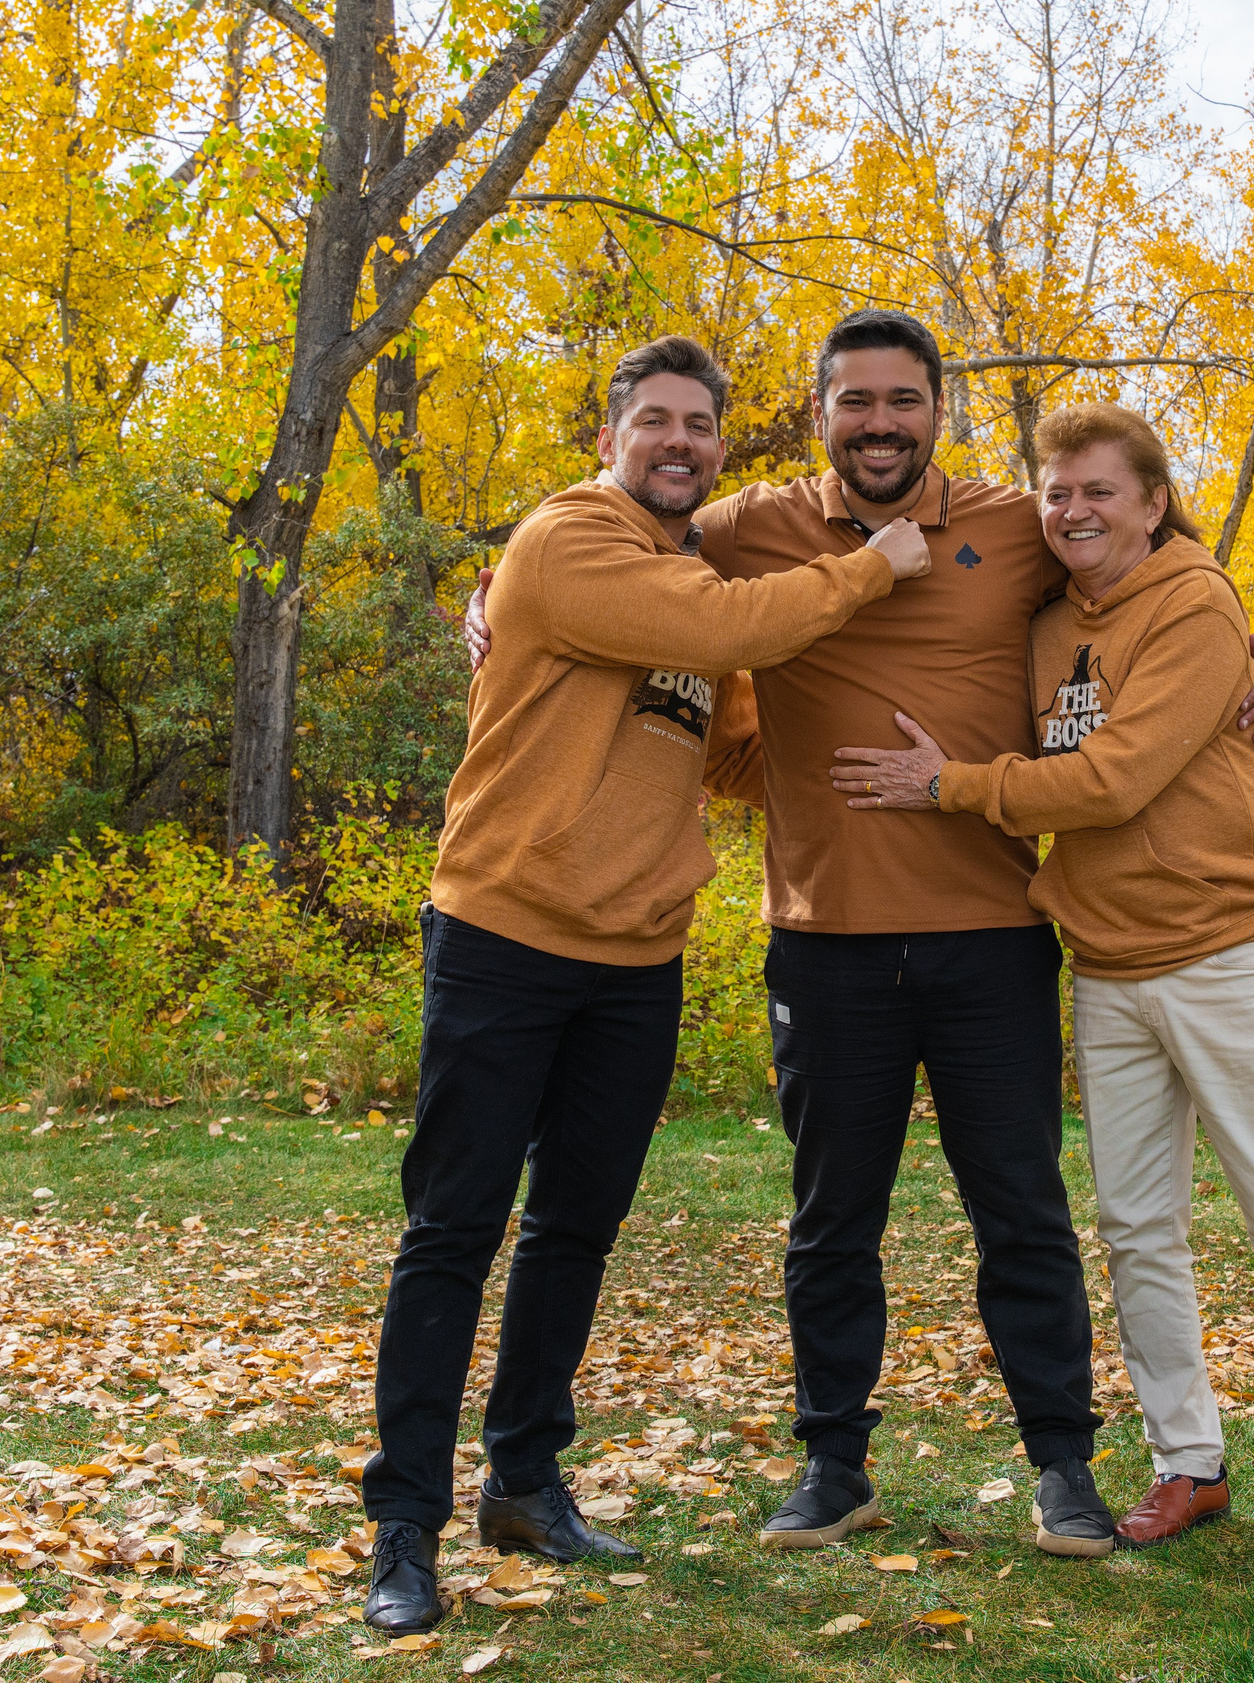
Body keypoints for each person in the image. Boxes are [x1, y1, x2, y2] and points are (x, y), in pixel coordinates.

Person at [462, 310, 1254, 1561]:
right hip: (824, 940)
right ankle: (833, 1464)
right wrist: (485, 595)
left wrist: (1253, 640)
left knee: (1019, 1210)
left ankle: (1063, 1464)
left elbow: (1140, 568)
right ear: (818, 415)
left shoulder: (1014, 525)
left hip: (991, 935)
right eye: (856, 402)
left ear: (936, 412)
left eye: (904, 401)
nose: (881, 423)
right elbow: (618, 538)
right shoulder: (752, 532)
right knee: (830, 1220)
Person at [359, 334, 934, 1637]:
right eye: (655, 421)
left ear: (718, 449)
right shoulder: (567, 543)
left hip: (633, 960)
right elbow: (728, 622)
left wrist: (922, 773)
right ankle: (404, 1525)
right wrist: (871, 568)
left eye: (700, 426)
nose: (680, 442)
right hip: (506, 930)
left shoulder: (683, 580)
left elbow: (730, 746)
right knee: (455, 1230)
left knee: (573, 1231)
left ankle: (525, 1481)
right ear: (609, 441)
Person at [829, 399, 1254, 1568]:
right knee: (1135, 1232)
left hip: (1230, 948)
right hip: (1109, 967)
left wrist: (951, 788)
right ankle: (1189, 1462)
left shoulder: (1195, 603)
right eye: (1055, 491)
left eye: (1098, 491)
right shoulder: (1044, 616)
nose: (1072, 510)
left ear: (1153, 502)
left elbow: (1116, 778)